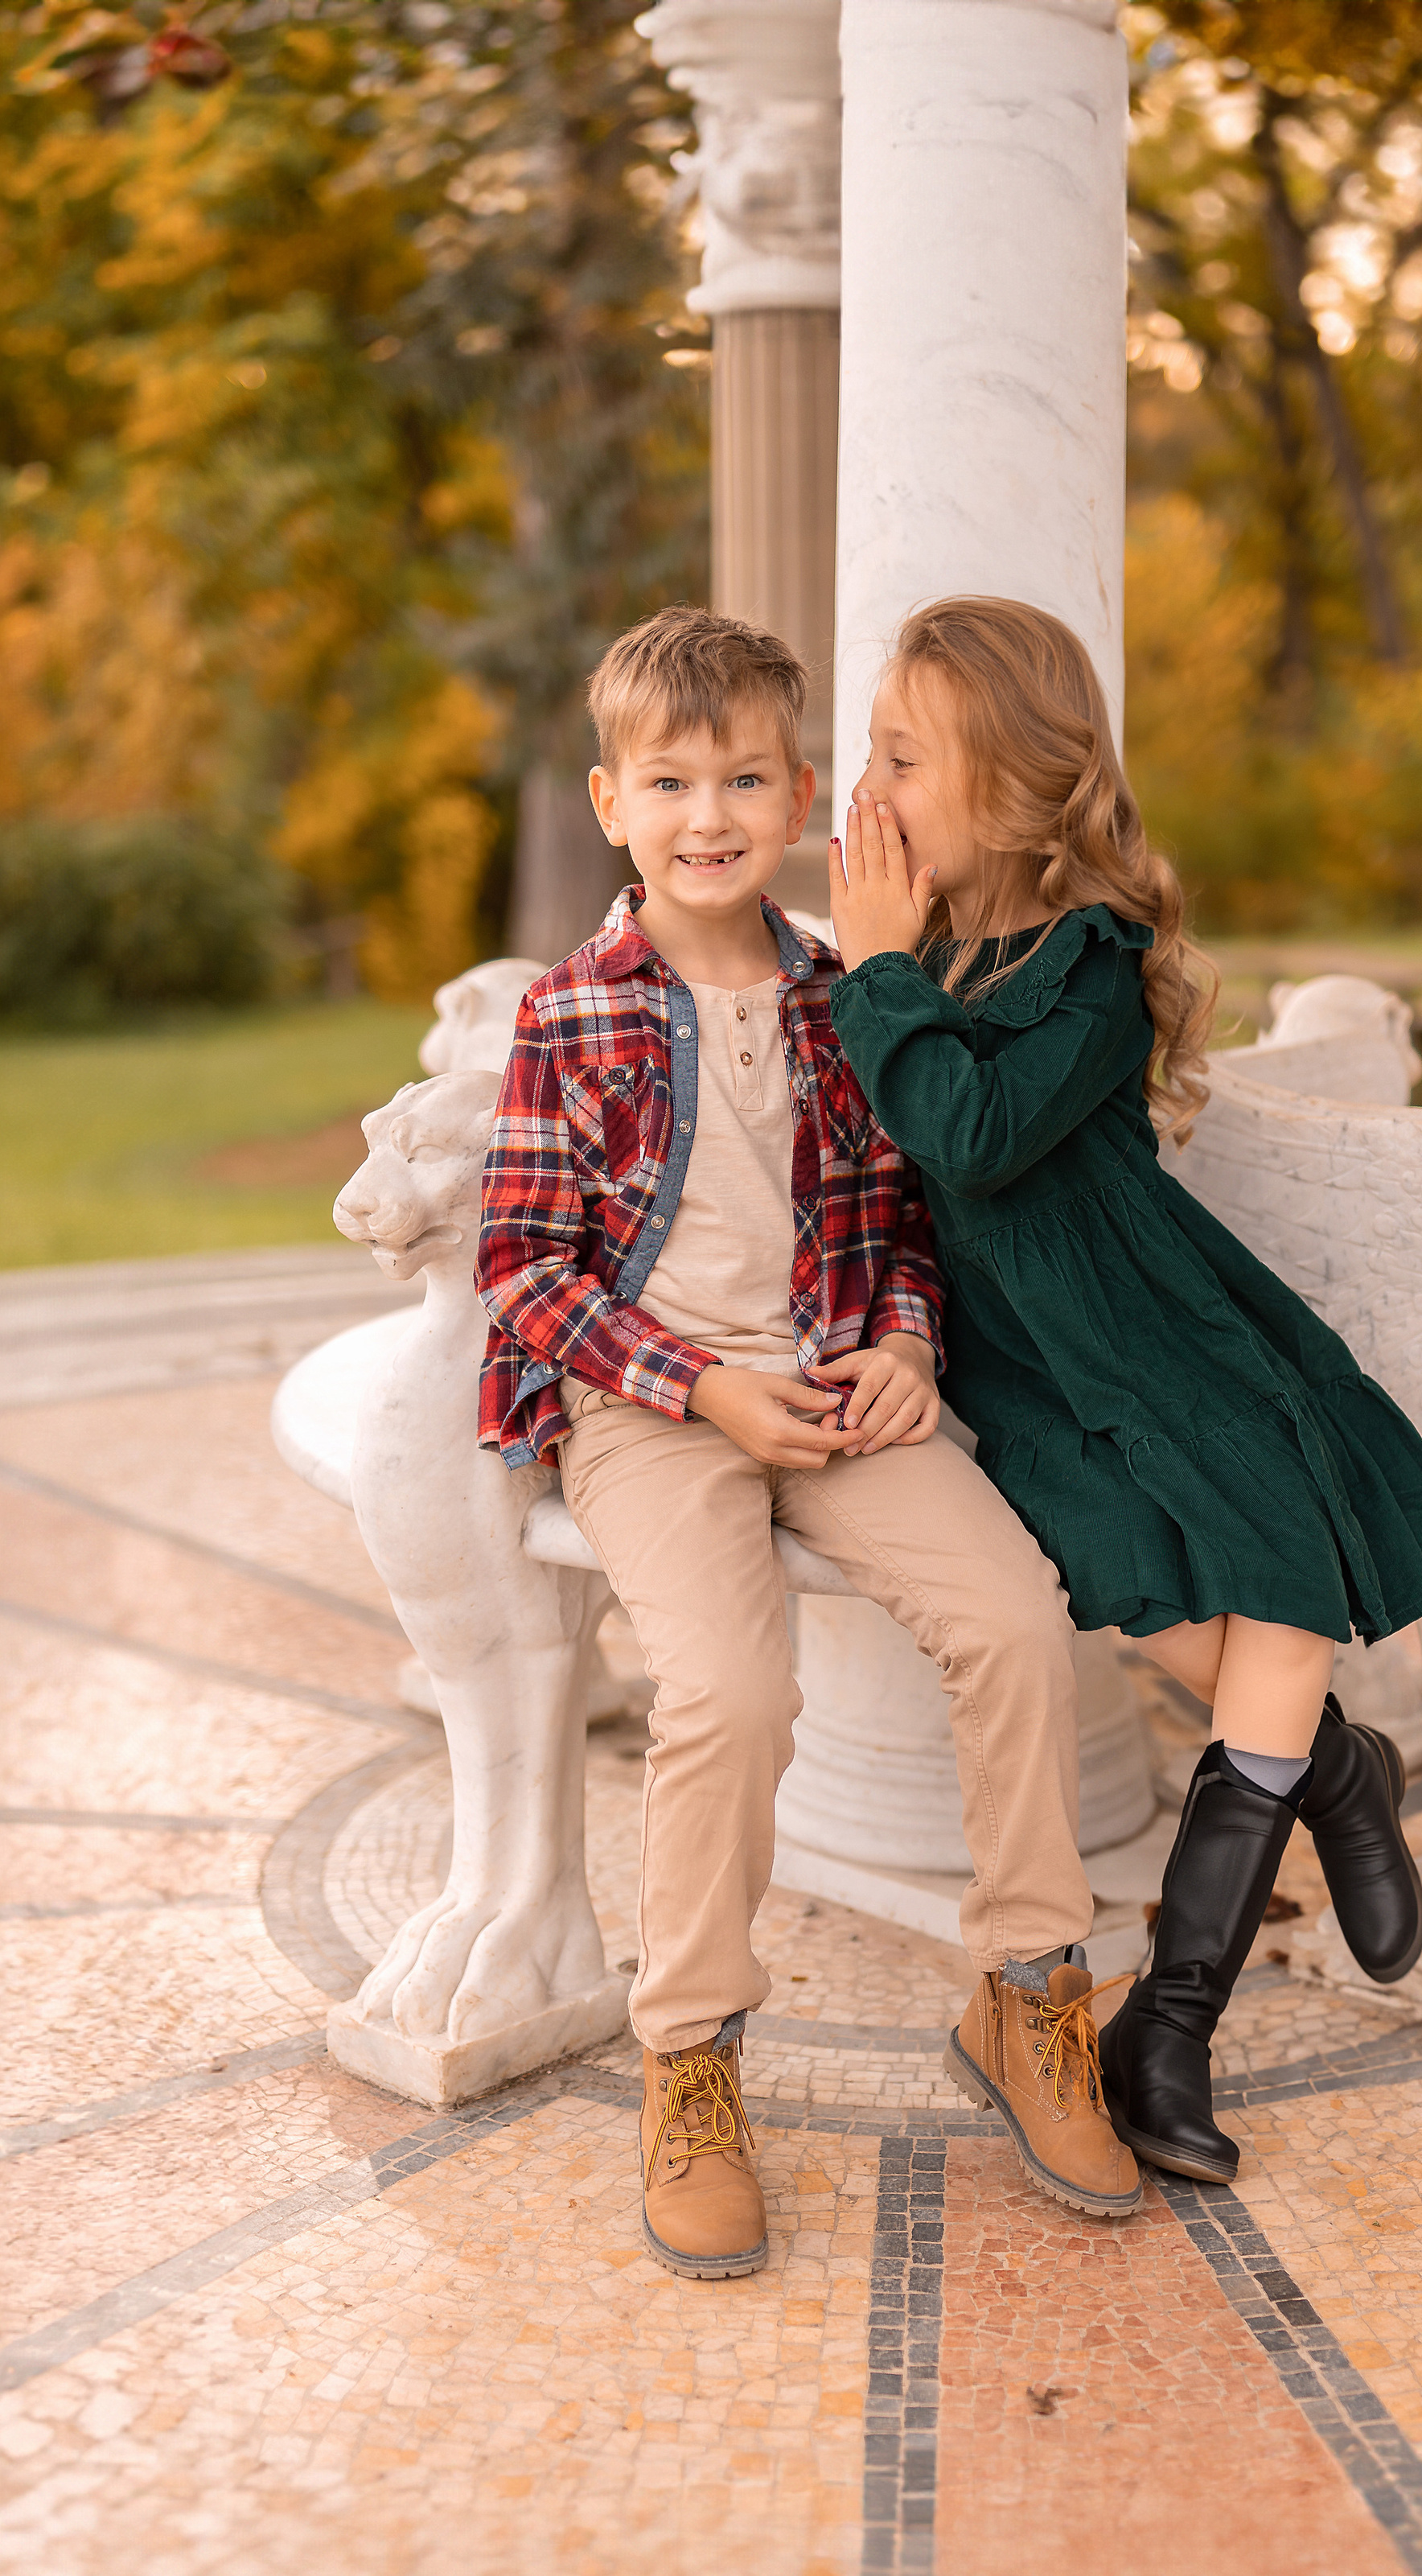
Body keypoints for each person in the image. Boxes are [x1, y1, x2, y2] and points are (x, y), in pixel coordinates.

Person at [475, 605, 1142, 2281]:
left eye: (746, 778)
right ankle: (689, 2054)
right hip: (653, 1409)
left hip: (837, 1384)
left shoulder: (849, 992)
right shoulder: (568, 1015)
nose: (709, 813)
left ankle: (1026, 1992)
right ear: (610, 799)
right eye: (671, 780)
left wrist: (906, 1341)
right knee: (728, 1687)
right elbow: (520, 1270)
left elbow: (898, 1217)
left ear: (802, 800)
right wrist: (698, 1387)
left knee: (1007, 1616)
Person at [826, 597, 1422, 2187]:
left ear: (1011, 786)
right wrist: (880, 968)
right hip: (1026, 1372)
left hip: (1155, 1322)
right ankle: (1330, 1763)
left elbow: (971, 1129)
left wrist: (870, 974)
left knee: (1270, 1566)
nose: (869, 784)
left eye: (904, 755)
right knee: (1157, 1596)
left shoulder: (1086, 959)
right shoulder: (914, 957)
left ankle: (1167, 2032)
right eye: (875, 746)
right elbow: (914, 1155)